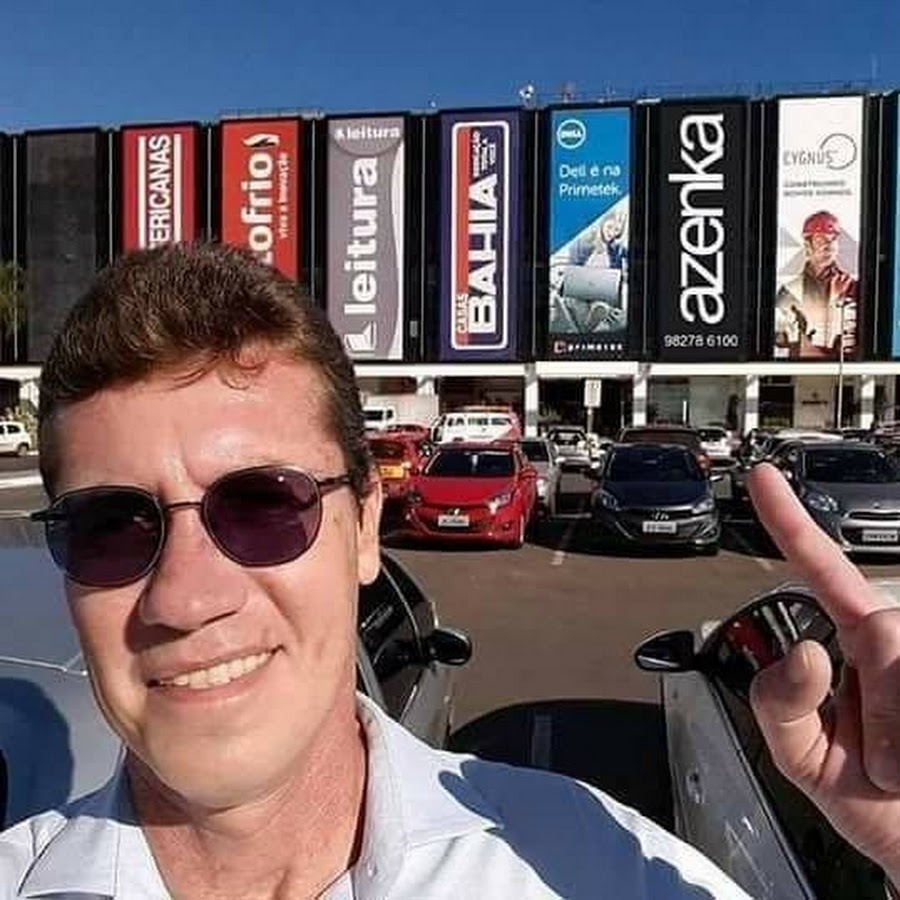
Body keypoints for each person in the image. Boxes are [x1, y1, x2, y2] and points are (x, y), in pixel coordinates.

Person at [0, 243, 892, 898]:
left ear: (364, 529)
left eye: (262, 505)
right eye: (111, 526)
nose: (186, 597)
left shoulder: (600, 870)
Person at [773, 210, 858, 360]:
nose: (829, 246)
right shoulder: (790, 291)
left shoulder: (850, 287)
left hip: (844, 368)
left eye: (833, 240)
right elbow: (778, 341)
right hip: (803, 367)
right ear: (808, 245)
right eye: (821, 240)